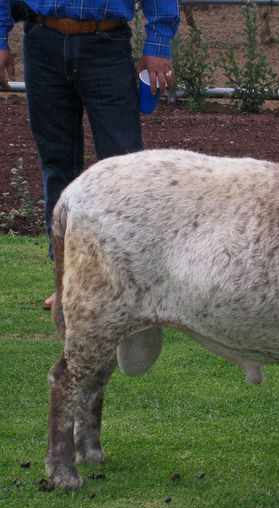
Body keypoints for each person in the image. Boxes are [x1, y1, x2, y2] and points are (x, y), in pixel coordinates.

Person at [0, 0, 180, 309]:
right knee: (57, 165)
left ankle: (132, 283)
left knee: (124, 170)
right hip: (42, 40)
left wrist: (159, 45)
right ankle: (68, 281)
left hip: (106, 45)